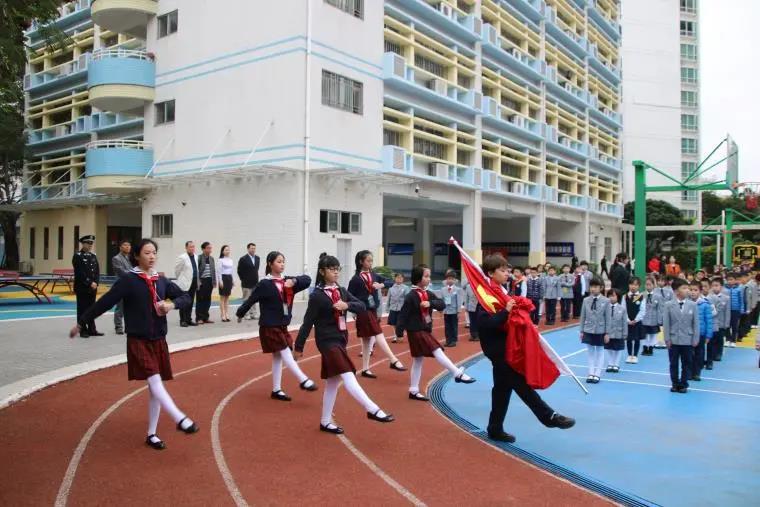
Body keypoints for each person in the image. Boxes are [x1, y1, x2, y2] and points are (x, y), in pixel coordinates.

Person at [68, 238, 198, 450]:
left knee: (154, 388)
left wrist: (170, 305)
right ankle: (180, 418)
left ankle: (152, 434)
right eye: (147, 253)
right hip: (138, 339)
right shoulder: (129, 280)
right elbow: (105, 302)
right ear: (136, 256)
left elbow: (186, 298)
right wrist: (82, 322)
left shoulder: (162, 281)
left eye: (154, 252)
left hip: (159, 340)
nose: (152, 256)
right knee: (155, 380)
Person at [476, 254, 575, 443]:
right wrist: (506, 311)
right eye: (502, 271)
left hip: (508, 346)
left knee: (502, 390)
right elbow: (485, 324)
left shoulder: (501, 291)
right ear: (490, 273)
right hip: (498, 349)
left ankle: (495, 428)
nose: (507, 274)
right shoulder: (485, 295)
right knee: (521, 384)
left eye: (507, 270)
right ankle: (548, 416)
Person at [295, 254, 394, 434]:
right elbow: (307, 323)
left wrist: (346, 305)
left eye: (337, 269)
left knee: (333, 381)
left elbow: (361, 306)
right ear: (322, 272)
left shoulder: (341, 291)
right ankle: (372, 409)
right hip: (326, 341)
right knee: (348, 373)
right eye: (332, 269)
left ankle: (325, 421)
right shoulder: (317, 296)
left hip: (341, 339)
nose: (336, 272)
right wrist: (299, 347)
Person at [235, 251, 317, 401]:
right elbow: (251, 300)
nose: (282, 264)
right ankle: (303, 379)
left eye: (283, 261)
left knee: (278, 357)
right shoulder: (264, 284)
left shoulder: (288, 282)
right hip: (269, 326)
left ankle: (276, 389)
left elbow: (307, 279)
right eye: (279, 261)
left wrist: (294, 281)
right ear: (270, 264)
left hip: (282, 325)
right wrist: (240, 313)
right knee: (285, 350)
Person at [396, 264, 475, 402]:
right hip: (416, 330)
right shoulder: (411, 296)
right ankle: (456, 373)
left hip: (424, 329)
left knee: (418, 360)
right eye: (426, 276)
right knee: (437, 349)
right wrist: (399, 332)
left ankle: (413, 390)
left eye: (429, 276)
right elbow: (403, 314)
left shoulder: (427, 293)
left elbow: (442, 304)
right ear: (418, 278)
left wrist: (430, 303)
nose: (429, 278)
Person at [348, 250, 407, 378]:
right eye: (368, 260)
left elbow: (391, 281)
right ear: (361, 261)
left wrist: (381, 285)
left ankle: (365, 369)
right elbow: (349, 295)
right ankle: (393, 359)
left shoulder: (374, 275)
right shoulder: (355, 279)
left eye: (371, 260)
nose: (370, 263)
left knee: (366, 340)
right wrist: (353, 309)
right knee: (378, 332)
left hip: (373, 309)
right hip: (363, 310)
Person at [662, 278, 700, 394]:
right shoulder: (668, 305)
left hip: (687, 339)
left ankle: (684, 384)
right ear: (676, 291)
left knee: (687, 363)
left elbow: (696, 323)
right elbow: (666, 323)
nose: (687, 290)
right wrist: (667, 339)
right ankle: (674, 383)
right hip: (673, 339)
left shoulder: (693, 305)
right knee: (673, 363)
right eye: (684, 288)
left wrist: (695, 338)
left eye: (687, 288)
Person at [579, 277, 609, 383]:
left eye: (595, 287)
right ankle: (591, 373)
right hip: (588, 329)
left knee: (600, 351)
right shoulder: (586, 300)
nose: (593, 289)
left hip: (600, 330)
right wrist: (581, 331)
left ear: (601, 288)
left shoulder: (606, 301)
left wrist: (607, 333)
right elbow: (583, 316)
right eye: (591, 286)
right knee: (590, 352)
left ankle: (597, 373)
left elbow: (608, 318)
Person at [72, 235, 102, 338]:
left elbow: (97, 271)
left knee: (91, 309)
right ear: (83, 244)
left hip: (92, 288)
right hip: (83, 288)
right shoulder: (78, 256)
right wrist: (90, 283)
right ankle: (82, 330)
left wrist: (96, 282)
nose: (90, 246)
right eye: (88, 243)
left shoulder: (93, 256)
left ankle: (92, 329)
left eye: (91, 244)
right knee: (82, 309)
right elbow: (80, 273)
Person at [689, 280, 713, 382]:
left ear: (700, 291)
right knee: (688, 354)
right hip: (688, 333)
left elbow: (709, 320)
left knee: (699, 354)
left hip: (701, 333)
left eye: (695, 290)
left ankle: (697, 373)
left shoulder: (705, 304)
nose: (693, 292)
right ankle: (688, 372)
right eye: (691, 290)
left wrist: (708, 335)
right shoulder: (686, 303)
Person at [174, 241, 198, 327]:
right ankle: (182, 320)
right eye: (190, 247)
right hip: (184, 283)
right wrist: (180, 279)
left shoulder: (195, 256)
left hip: (194, 282)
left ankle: (188, 319)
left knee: (190, 302)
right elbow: (177, 270)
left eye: (193, 247)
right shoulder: (182, 257)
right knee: (184, 301)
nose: (192, 248)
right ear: (186, 248)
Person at [707, 277, 730, 367]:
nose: (714, 287)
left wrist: (726, 324)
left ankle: (719, 353)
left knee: (720, 339)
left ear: (721, 287)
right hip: (712, 323)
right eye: (713, 286)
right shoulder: (709, 297)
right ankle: (712, 354)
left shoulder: (726, 298)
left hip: (721, 323)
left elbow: (727, 312)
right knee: (712, 340)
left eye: (717, 285)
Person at [623, 277, 647, 364]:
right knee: (629, 339)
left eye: (636, 285)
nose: (633, 286)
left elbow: (643, 310)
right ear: (629, 285)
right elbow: (623, 309)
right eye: (631, 284)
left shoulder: (641, 297)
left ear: (639, 286)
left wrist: (636, 320)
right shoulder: (625, 296)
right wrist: (627, 320)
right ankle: (629, 355)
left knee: (637, 339)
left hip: (637, 322)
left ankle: (635, 355)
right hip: (628, 322)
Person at [111, 240, 132, 335]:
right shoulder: (116, 258)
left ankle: (129, 326)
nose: (127, 247)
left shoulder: (130, 258)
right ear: (120, 247)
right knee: (120, 307)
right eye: (125, 245)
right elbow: (121, 271)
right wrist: (134, 274)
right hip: (121, 285)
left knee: (130, 307)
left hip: (131, 286)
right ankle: (118, 327)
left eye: (129, 245)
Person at [604, 289, 627, 373]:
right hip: (608, 332)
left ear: (618, 297)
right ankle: (610, 363)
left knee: (618, 349)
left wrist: (625, 333)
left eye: (613, 296)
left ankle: (616, 364)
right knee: (609, 349)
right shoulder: (605, 308)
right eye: (609, 296)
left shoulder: (622, 309)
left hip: (619, 332)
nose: (611, 298)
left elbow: (624, 322)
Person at [439, 270, 463, 347]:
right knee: (447, 326)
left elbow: (459, 301)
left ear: (455, 280)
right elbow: (442, 300)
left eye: (452, 279)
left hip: (454, 311)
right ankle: (448, 340)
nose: (450, 280)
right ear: (446, 280)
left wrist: (458, 311)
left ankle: (453, 340)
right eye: (448, 278)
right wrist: (441, 309)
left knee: (453, 326)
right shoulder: (443, 289)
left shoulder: (458, 289)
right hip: (446, 311)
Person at [237, 243, 260, 320]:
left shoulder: (257, 258)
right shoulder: (243, 259)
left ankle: (253, 313)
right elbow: (239, 270)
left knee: (254, 298)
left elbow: (256, 270)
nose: (253, 250)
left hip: (255, 282)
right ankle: (246, 314)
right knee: (246, 299)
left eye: (254, 248)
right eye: (252, 248)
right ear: (248, 249)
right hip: (246, 283)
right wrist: (243, 279)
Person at [195, 242, 217, 324]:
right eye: (208, 248)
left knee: (208, 300)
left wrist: (214, 281)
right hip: (201, 281)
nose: (209, 250)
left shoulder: (211, 258)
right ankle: (199, 318)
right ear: (203, 249)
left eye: (210, 248)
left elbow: (213, 271)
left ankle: (205, 317)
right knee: (200, 300)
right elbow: (196, 271)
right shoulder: (199, 258)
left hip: (209, 281)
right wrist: (198, 281)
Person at [640, 277, 662, 356]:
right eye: (646, 284)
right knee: (644, 334)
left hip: (654, 319)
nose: (648, 286)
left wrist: (660, 320)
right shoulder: (641, 294)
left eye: (650, 284)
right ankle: (645, 348)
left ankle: (651, 348)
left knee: (653, 335)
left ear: (653, 285)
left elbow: (660, 309)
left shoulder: (658, 296)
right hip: (644, 318)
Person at [386, 273, 409, 343]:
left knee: (400, 323)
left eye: (401, 278)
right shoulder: (391, 288)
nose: (399, 279)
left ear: (403, 279)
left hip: (401, 309)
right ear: (395, 279)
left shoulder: (406, 288)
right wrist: (387, 308)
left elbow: (407, 299)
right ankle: (396, 336)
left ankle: (401, 335)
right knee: (393, 323)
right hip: (393, 308)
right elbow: (388, 298)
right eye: (397, 278)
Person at [725, 273, 744, 347]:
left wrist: (741, 309)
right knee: (727, 325)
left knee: (734, 325)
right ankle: (727, 339)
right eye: (728, 280)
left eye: (731, 279)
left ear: (735, 280)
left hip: (735, 310)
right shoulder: (724, 288)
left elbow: (741, 300)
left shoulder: (739, 288)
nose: (729, 281)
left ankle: (733, 340)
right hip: (726, 310)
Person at [216, 245, 234, 322]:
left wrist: (232, 280)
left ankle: (227, 314)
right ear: (222, 251)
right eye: (226, 250)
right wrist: (220, 281)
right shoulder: (220, 260)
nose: (227, 251)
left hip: (229, 278)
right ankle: (222, 314)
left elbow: (231, 271)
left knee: (227, 297)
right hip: (223, 278)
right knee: (222, 297)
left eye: (228, 250)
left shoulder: (230, 260)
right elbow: (218, 272)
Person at [463, 277, 480, 341]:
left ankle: (478, 335)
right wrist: (466, 307)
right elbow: (466, 297)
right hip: (471, 306)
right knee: (472, 322)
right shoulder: (468, 286)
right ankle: (473, 335)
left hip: (479, 306)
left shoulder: (480, 286)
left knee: (478, 321)